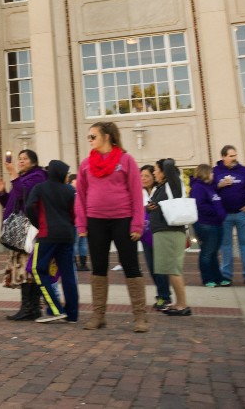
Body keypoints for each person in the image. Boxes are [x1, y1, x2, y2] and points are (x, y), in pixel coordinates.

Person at [74, 122, 147, 332]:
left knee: (131, 266)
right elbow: (81, 195)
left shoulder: (126, 160)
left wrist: (137, 224)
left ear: (107, 136)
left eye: (92, 136)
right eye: (88, 137)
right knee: (98, 267)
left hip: (123, 220)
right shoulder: (86, 164)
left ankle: (140, 317)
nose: (89, 140)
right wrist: (81, 223)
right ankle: (98, 315)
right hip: (95, 220)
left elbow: (136, 193)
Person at [0, 149, 48, 321]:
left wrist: (12, 173)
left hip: (29, 231)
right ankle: (30, 308)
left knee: (27, 269)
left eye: (25, 159)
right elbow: (12, 201)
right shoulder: (22, 178)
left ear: (33, 162)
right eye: (19, 159)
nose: (21, 161)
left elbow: (24, 195)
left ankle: (30, 308)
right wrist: (2, 192)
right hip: (19, 232)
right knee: (24, 269)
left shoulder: (38, 176)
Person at [26, 160, 78, 324]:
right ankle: (72, 314)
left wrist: (37, 224)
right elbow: (74, 213)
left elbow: (29, 207)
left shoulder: (40, 188)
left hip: (47, 234)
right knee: (68, 274)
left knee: (37, 269)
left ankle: (55, 309)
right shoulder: (70, 190)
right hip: (67, 235)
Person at [146, 159, 191, 316]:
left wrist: (166, 163)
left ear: (164, 172)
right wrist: (152, 207)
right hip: (163, 232)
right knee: (170, 269)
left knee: (173, 268)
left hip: (170, 232)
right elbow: (162, 206)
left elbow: (170, 166)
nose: (154, 173)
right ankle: (178, 303)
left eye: (156, 170)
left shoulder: (173, 184)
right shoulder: (161, 188)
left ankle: (183, 305)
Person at [213, 144, 245, 286]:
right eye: (231, 156)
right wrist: (219, 185)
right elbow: (208, 190)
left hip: (242, 214)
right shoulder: (215, 172)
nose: (234, 158)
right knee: (225, 246)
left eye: (235, 155)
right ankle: (226, 275)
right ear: (223, 157)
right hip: (224, 215)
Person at [139, 164, 171, 310]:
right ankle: (161, 294)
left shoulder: (160, 190)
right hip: (145, 234)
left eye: (146, 176)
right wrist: (145, 208)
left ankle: (165, 296)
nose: (143, 179)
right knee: (152, 267)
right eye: (141, 176)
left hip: (160, 232)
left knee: (161, 267)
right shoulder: (138, 192)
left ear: (154, 176)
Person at [190, 163, 227, 288]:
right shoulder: (198, 188)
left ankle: (218, 277)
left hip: (216, 223)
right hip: (206, 224)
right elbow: (199, 206)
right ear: (205, 173)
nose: (213, 175)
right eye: (211, 173)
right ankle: (207, 279)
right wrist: (216, 212)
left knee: (213, 253)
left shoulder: (209, 187)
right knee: (207, 252)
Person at [68, 172, 90, 271]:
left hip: (78, 221)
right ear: (72, 181)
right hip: (78, 221)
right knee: (79, 243)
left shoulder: (74, 192)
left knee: (79, 243)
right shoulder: (75, 192)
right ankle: (80, 263)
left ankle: (78, 263)